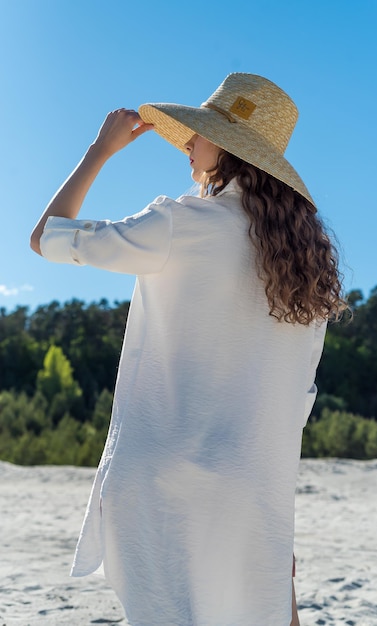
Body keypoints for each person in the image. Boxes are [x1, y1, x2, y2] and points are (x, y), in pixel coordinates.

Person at [31, 73, 346, 626]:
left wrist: (98, 151)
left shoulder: (180, 222)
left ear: (225, 147)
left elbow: (49, 236)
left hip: (164, 477)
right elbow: (294, 404)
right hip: (252, 486)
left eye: (197, 134)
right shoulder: (308, 273)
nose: (188, 145)